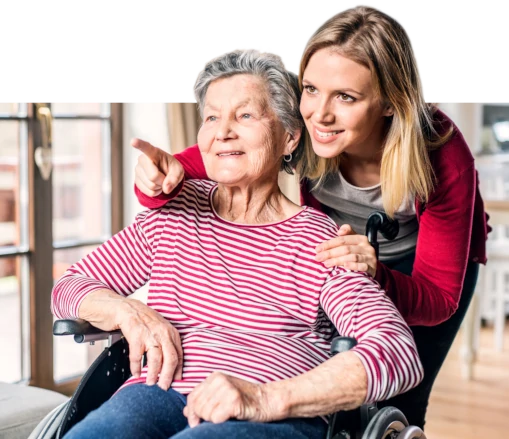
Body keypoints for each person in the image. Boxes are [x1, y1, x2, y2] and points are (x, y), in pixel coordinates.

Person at [131, 3, 491, 431]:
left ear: (390, 103)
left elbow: (438, 299)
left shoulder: (442, 158)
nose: (319, 113)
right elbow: (197, 163)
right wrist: (152, 182)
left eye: (346, 97)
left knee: (401, 398)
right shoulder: (304, 132)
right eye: (311, 89)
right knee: (333, 381)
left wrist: (378, 274)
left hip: (425, 272)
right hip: (343, 259)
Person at [52, 47, 423, 439]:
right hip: (155, 395)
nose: (222, 131)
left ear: (289, 138)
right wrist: (127, 311)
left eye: (245, 115)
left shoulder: (321, 242)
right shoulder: (174, 215)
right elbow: (69, 287)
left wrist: (265, 399)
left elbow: (397, 350)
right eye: (212, 116)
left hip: (270, 413)